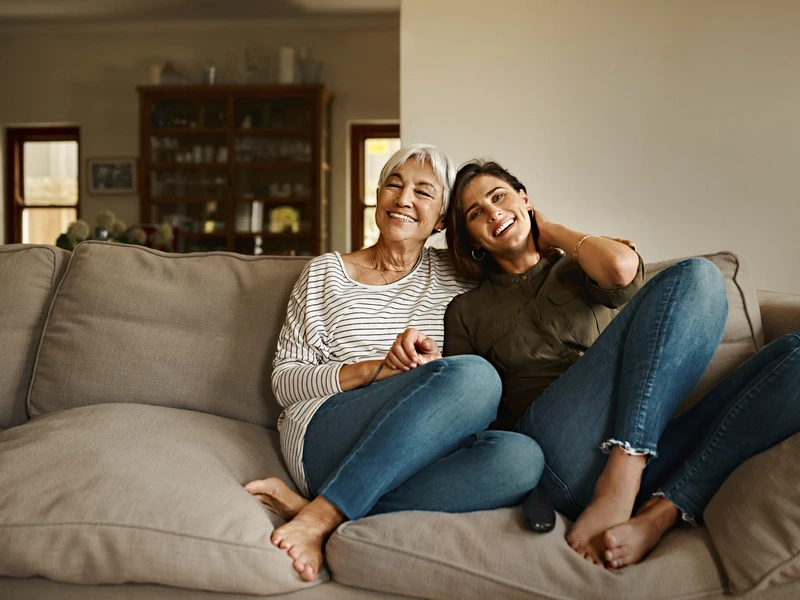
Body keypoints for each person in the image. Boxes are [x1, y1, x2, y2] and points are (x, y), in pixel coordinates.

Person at [430, 158, 800, 569]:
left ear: (525, 200)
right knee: (697, 275)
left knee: (707, 282)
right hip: (559, 451)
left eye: (499, 197)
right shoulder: (466, 310)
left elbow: (622, 268)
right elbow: (472, 409)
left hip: (645, 438)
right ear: (473, 240)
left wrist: (550, 231)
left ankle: (660, 511)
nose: (494, 213)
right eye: (476, 214)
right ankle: (621, 479)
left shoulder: (581, 263)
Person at [244, 146, 544, 581]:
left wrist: (435, 377)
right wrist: (374, 370)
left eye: (423, 191)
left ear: (443, 219)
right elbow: (285, 383)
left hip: (413, 449)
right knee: (475, 376)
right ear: (379, 196)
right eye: (394, 185)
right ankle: (326, 513)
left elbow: (522, 251)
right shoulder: (326, 274)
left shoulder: (460, 276)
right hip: (328, 434)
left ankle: (322, 509)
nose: (404, 199)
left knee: (521, 458)